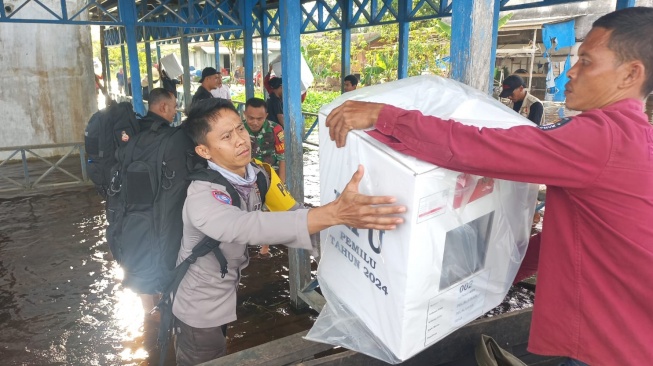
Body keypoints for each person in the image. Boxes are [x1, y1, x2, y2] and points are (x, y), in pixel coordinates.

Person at [325, 7, 653, 365]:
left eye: (587, 62)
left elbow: (480, 147)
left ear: (630, 74)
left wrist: (384, 116)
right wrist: (497, 273)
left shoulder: (602, 137)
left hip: (610, 346)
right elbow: (583, 237)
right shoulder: (638, 138)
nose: (571, 72)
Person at [171, 98, 405, 365]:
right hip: (197, 304)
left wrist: (361, 250)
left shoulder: (259, 175)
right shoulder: (202, 195)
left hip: (226, 290)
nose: (240, 140)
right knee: (206, 357)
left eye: (239, 128)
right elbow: (244, 227)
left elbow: (294, 213)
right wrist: (333, 212)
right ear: (204, 151)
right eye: (226, 136)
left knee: (219, 349)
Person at [243, 97, 286, 256]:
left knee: (268, 210)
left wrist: (281, 185)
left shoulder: (276, 130)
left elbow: (282, 159)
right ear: (244, 114)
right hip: (247, 175)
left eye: (259, 118)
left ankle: (265, 246)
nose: (254, 122)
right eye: (251, 118)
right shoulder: (238, 129)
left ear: (266, 115)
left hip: (270, 176)